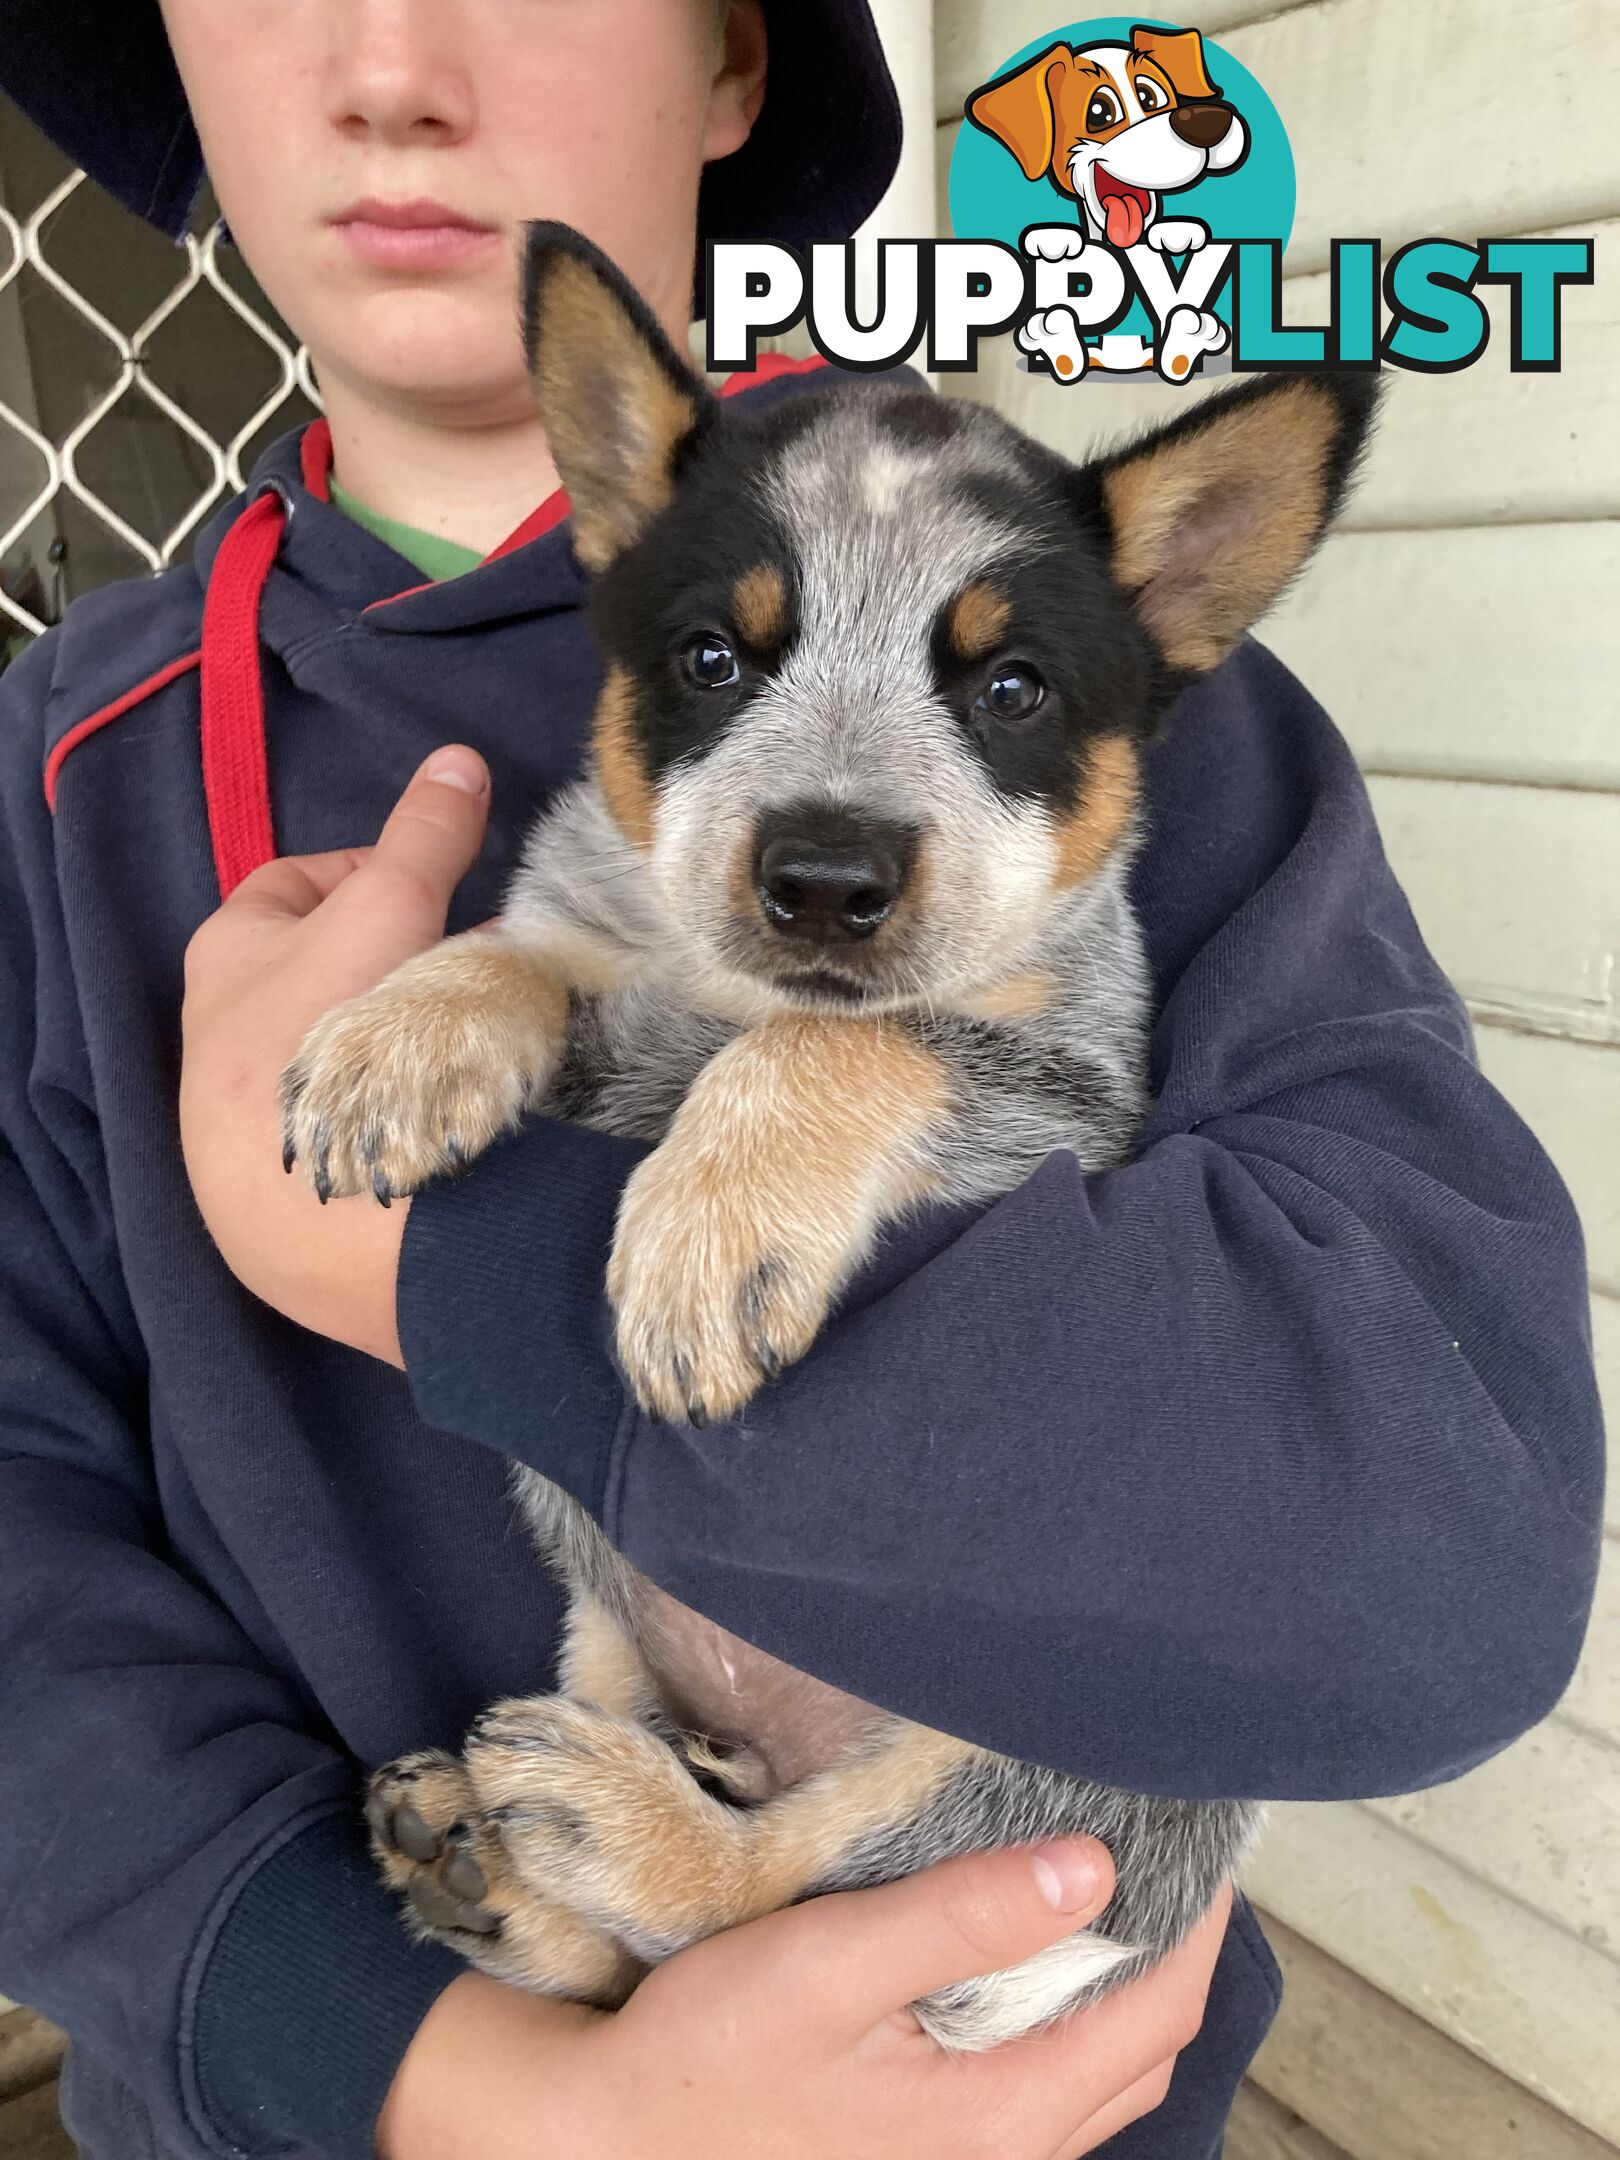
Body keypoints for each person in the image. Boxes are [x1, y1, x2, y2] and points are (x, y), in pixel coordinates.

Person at [0, 3, 1602, 2158]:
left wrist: (445, 1257)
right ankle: (607, 1892)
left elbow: (1449, 1555)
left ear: (737, 58)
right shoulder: (64, 769)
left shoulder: (1183, 733)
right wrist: (418, 2072)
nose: (389, 62)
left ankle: (709, 1866)